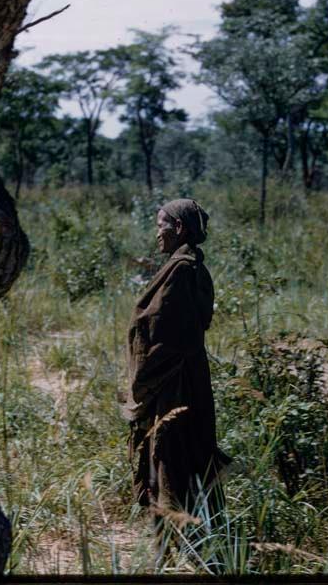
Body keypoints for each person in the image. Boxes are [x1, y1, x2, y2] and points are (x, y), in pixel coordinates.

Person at [121, 198, 232, 568]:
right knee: (183, 453)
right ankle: (191, 542)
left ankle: (175, 548)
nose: (157, 233)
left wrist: (142, 386)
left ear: (179, 229)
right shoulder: (187, 267)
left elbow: (168, 338)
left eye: (161, 225)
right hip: (186, 378)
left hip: (173, 384)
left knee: (168, 456)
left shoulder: (183, 271)